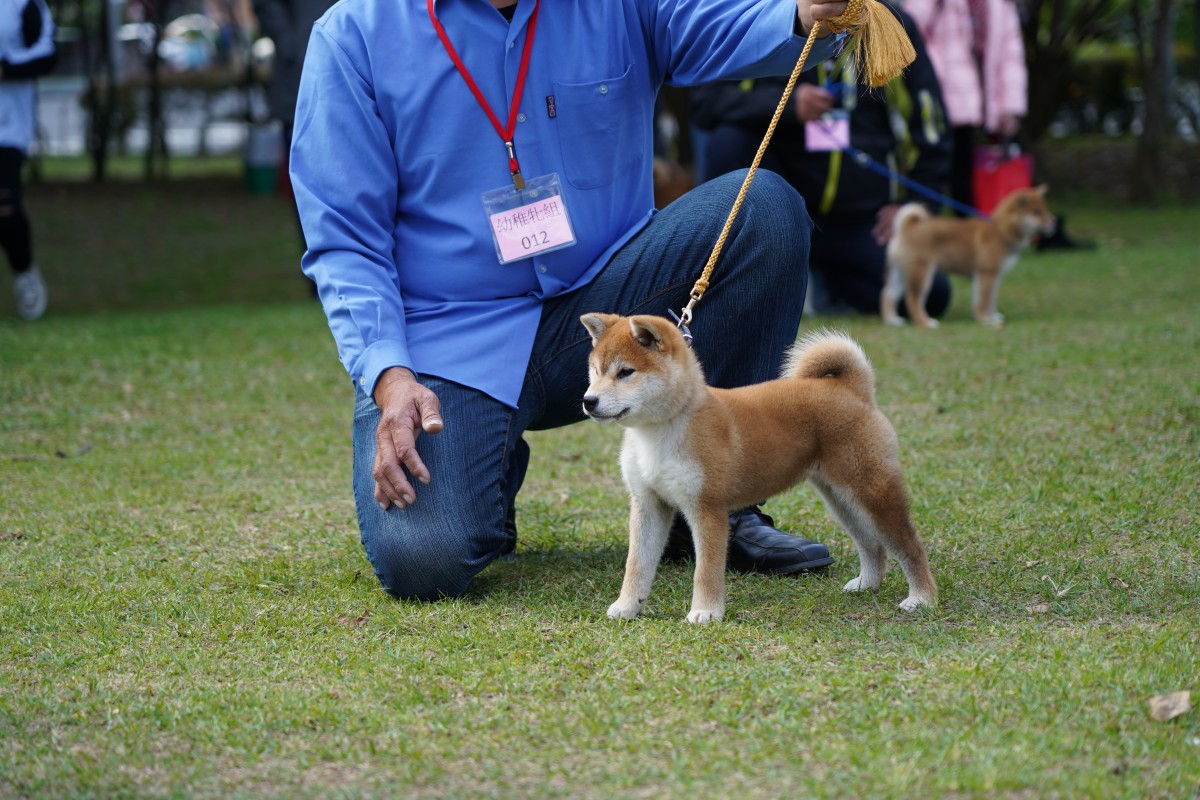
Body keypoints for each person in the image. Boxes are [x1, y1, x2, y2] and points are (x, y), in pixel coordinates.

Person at [291, 0, 853, 601]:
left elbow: (723, 23)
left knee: (761, 208)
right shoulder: (354, 33)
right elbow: (345, 240)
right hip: (448, 338)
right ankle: (488, 459)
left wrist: (803, 12)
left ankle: (721, 503)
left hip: (609, 300)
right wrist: (389, 376)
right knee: (423, 561)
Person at [691, 4, 953, 318]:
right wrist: (787, 105)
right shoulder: (761, 15)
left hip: (861, 219)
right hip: (782, 218)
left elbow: (929, 124)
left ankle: (826, 278)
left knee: (932, 292)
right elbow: (707, 103)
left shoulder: (889, 23)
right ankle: (748, 271)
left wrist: (915, 205)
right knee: (729, 139)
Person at [899, 0, 1026, 215]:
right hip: (938, 96)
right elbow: (908, 29)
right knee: (934, 168)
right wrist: (932, 77)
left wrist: (1009, 105)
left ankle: (968, 234)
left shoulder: (1001, 5)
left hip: (979, 102)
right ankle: (925, 229)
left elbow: (1010, 53)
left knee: (965, 177)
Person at [252, 0, 335, 295]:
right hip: (297, 85)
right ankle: (320, 279)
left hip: (351, 83)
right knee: (308, 191)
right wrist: (291, 45)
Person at [0, 0, 55, 321]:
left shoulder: (23, 4)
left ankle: (24, 271)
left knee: (5, 204)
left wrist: (6, 67)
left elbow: (47, 54)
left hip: (7, 125)